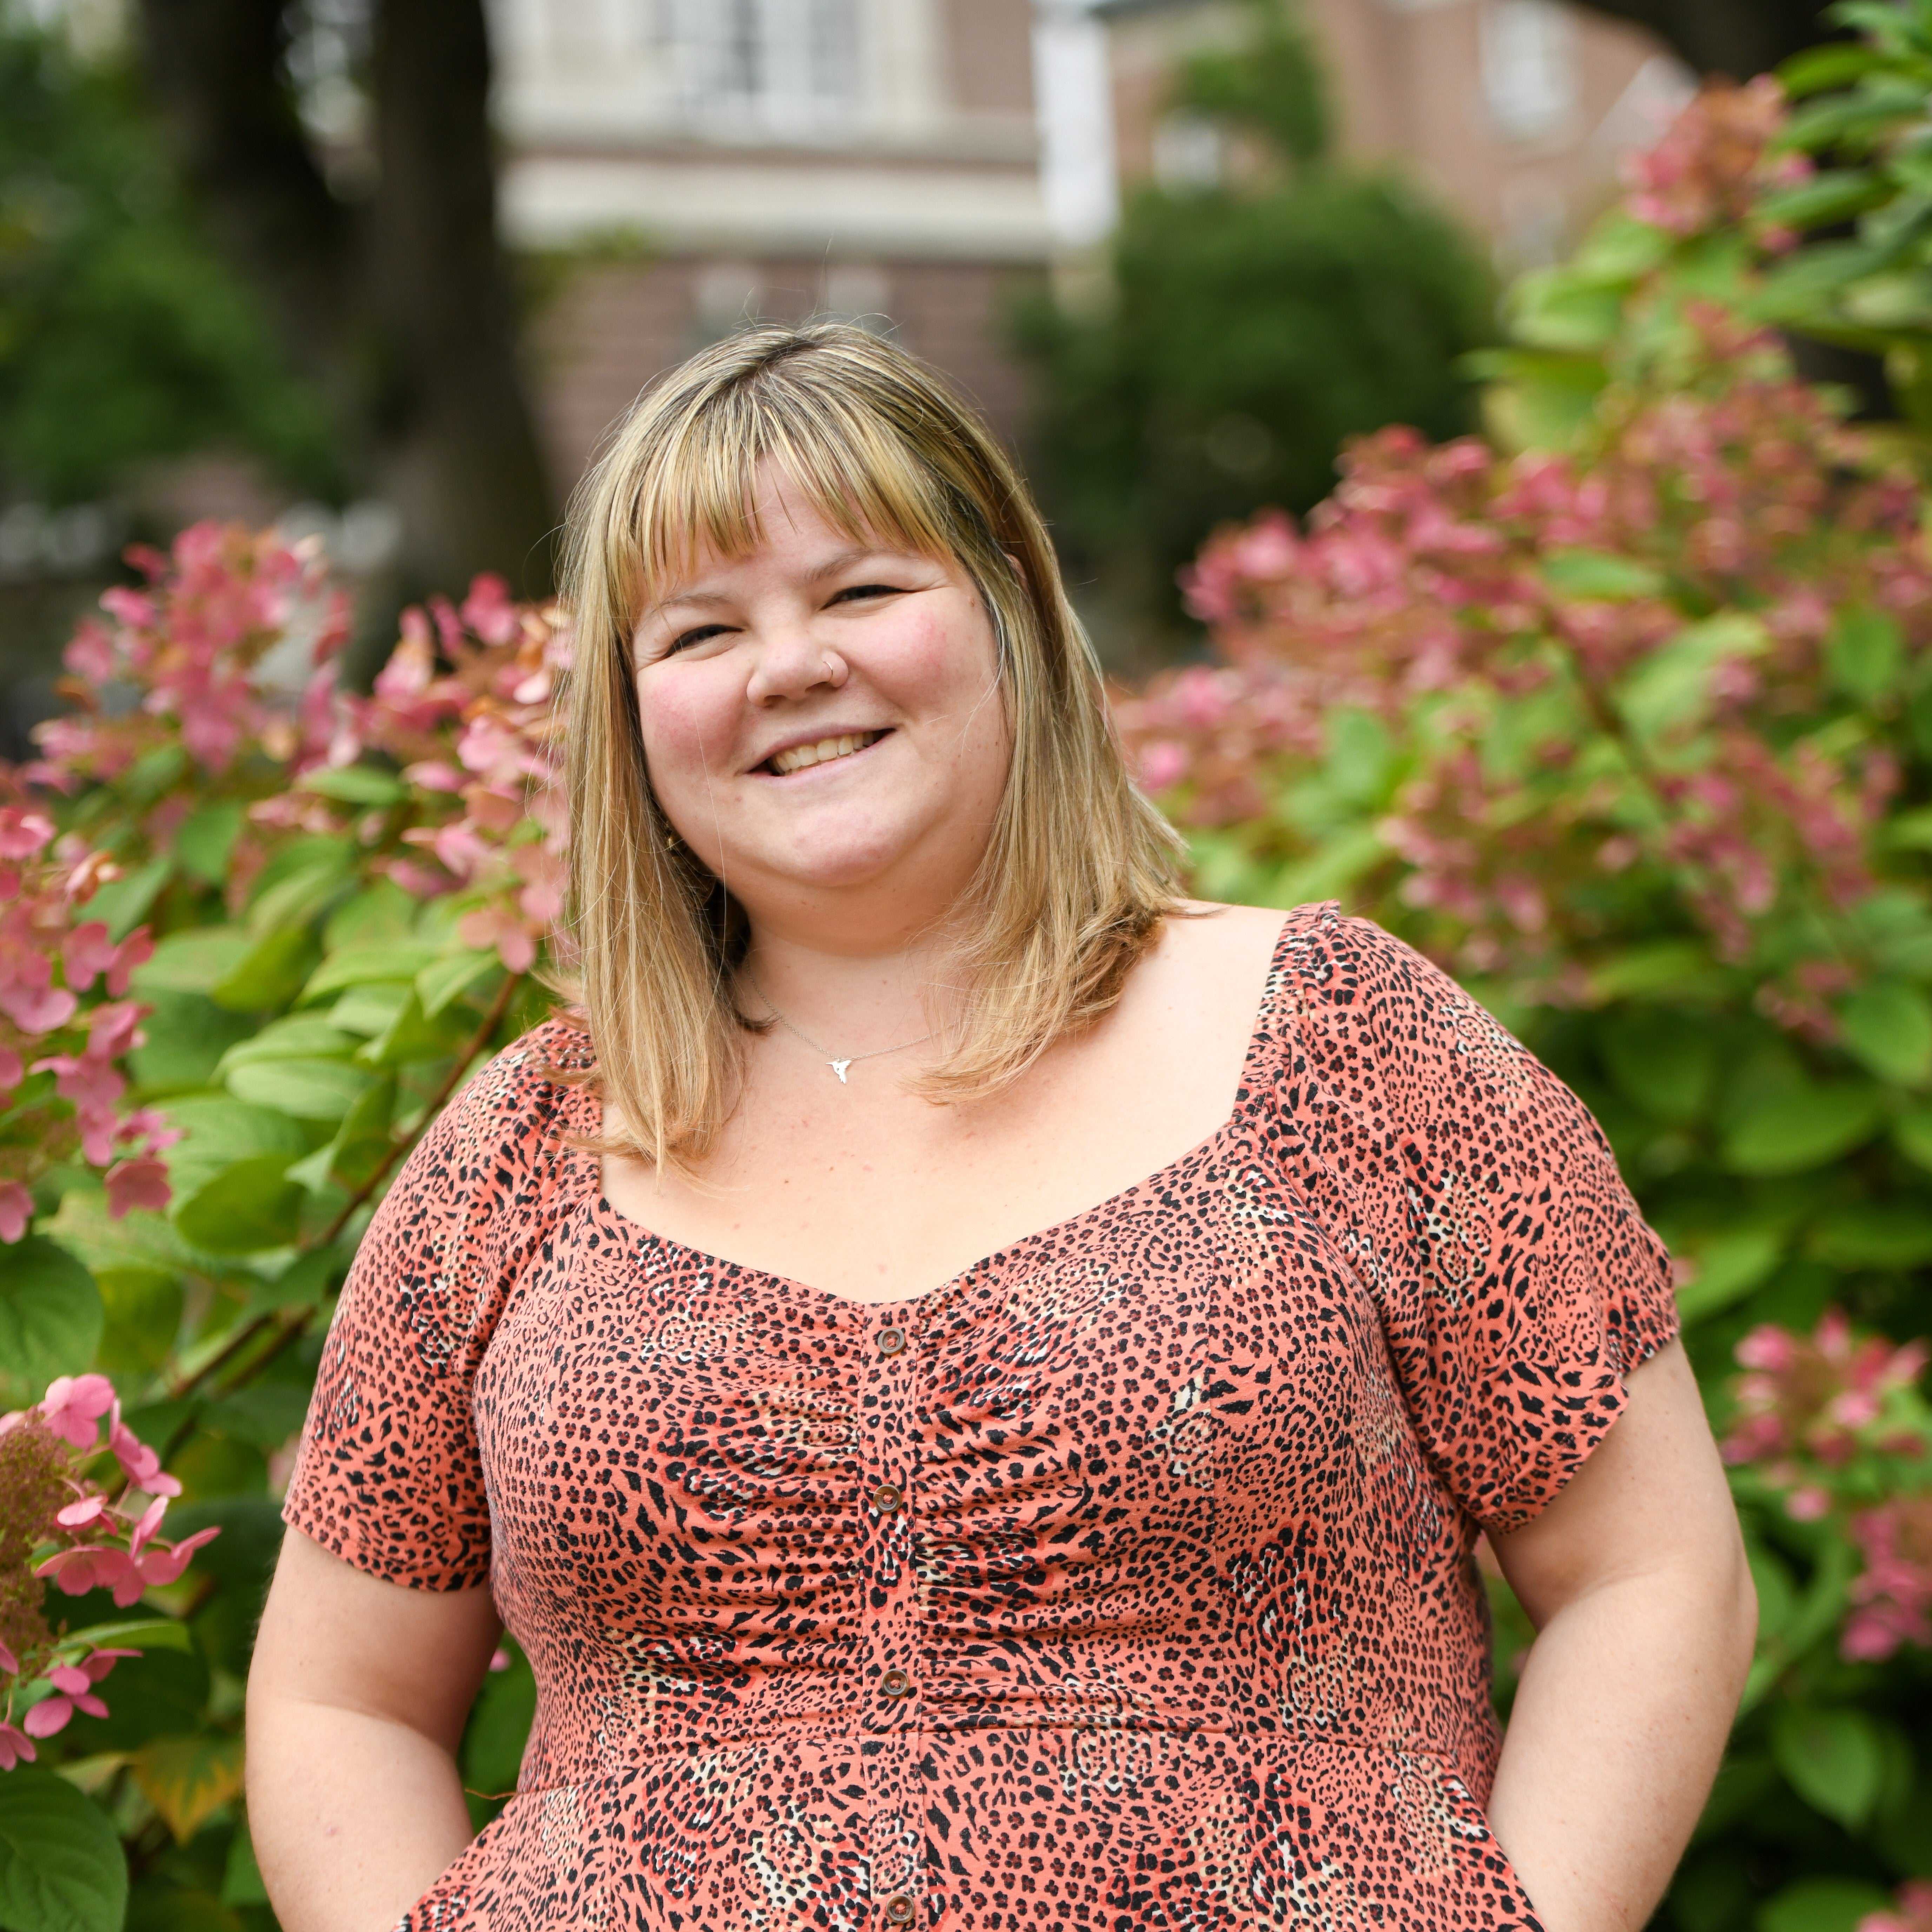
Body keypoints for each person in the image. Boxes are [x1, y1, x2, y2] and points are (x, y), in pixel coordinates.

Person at [246, 322, 1755, 1932]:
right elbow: (340, 1696)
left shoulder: (1339, 1042)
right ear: (631, 718)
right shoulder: (522, 1149)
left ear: (1014, 617)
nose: (788, 666)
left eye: (859, 591)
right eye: (698, 630)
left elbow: (1649, 1573)